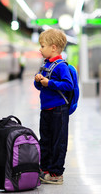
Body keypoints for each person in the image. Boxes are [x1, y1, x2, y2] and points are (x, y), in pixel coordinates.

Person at [33, 28, 74, 185]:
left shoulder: (61, 66)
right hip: (46, 110)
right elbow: (39, 88)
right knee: (46, 140)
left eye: (42, 46)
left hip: (59, 110)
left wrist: (49, 83)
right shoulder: (45, 64)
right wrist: (38, 81)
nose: (40, 49)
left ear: (54, 47)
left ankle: (56, 173)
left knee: (58, 142)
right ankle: (45, 170)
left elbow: (68, 85)